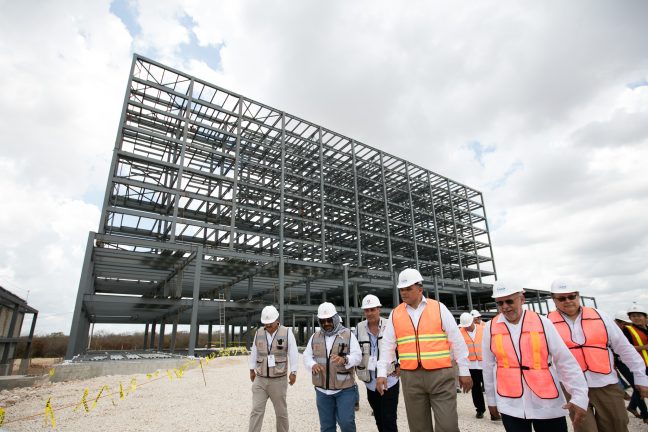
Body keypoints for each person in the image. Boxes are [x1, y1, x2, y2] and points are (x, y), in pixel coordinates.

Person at [482, 280, 589, 432]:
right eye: (500, 303)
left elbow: (565, 361)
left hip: (546, 402)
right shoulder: (490, 327)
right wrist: (491, 400)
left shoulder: (543, 323)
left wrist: (579, 396)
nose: (505, 307)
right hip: (510, 402)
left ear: (522, 299)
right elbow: (488, 366)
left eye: (509, 301)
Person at [376, 268, 472, 432]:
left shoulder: (439, 308)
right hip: (411, 377)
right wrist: (381, 373)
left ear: (420, 289)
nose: (404, 293)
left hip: (440, 376)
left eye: (408, 289)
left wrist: (464, 370)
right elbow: (387, 346)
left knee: (448, 426)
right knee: (419, 428)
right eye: (402, 289)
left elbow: (456, 340)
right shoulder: (395, 314)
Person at [547, 279, 648, 432]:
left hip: (605, 383)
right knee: (585, 429)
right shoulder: (547, 322)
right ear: (554, 300)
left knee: (617, 425)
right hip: (572, 387)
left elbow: (624, 348)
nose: (568, 301)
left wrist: (640, 377)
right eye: (561, 298)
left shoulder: (600, 316)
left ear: (578, 296)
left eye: (571, 296)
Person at [304, 302, 362, 432]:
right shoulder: (315, 337)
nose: (326, 324)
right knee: (326, 427)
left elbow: (358, 356)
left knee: (346, 423)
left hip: (345, 389)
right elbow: (307, 356)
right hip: (322, 391)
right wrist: (312, 364)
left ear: (335, 318)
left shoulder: (348, 335)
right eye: (322, 321)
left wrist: (345, 359)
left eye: (329, 320)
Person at [248, 305, 298, 432]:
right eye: (265, 323)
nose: (268, 326)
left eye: (270, 323)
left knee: (281, 413)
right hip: (260, 378)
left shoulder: (287, 332)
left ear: (277, 320)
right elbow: (254, 352)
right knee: (256, 411)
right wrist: (251, 369)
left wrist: (294, 372)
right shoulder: (259, 332)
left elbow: (293, 352)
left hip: (279, 380)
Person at [356, 294, 400, 432]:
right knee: (379, 419)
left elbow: (402, 346)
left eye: (372, 309)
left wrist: (400, 364)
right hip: (370, 382)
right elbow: (355, 350)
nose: (369, 313)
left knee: (389, 418)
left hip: (389, 379)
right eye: (367, 310)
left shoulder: (390, 325)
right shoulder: (359, 327)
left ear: (379, 309)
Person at [623, 303, 648, 424]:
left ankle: (632, 406)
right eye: (633, 316)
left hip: (647, 362)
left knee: (640, 389)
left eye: (639, 315)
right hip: (639, 365)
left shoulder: (646, 328)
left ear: (645, 316)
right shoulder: (627, 330)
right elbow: (625, 348)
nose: (636, 318)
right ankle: (645, 415)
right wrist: (644, 347)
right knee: (640, 389)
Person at [458, 312, 486, 419]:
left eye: (468, 325)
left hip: (484, 364)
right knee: (476, 389)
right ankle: (480, 410)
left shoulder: (483, 329)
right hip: (471, 365)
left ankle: (496, 410)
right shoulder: (460, 332)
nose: (467, 328)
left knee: (490, 387)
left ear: (473, 321)